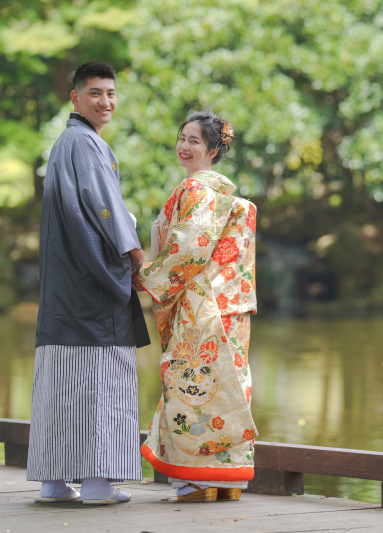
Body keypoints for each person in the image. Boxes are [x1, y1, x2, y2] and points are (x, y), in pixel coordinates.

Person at [26, 61, 150, 505]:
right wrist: (136, 256)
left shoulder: (65, 143)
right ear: (75, 98)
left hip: (64, 291)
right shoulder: (85, 143)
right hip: (92, 289)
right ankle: (97, 484)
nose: (105, 101)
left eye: (111, 93)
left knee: (60, 385)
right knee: (100, 384)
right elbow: (105, 209)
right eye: (95, 93)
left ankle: (53, 482)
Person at [136, 110, 258, 502]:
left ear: (213, 150)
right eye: (182, 138)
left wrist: (146, 275)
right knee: (228, 385)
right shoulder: (226, 196)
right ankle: (228, 479)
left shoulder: (195, 190)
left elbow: (188, 249)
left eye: (195, 141)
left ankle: (195, 481)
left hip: (200, 306)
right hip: (231, 305)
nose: (184, 147)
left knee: (192, 386)